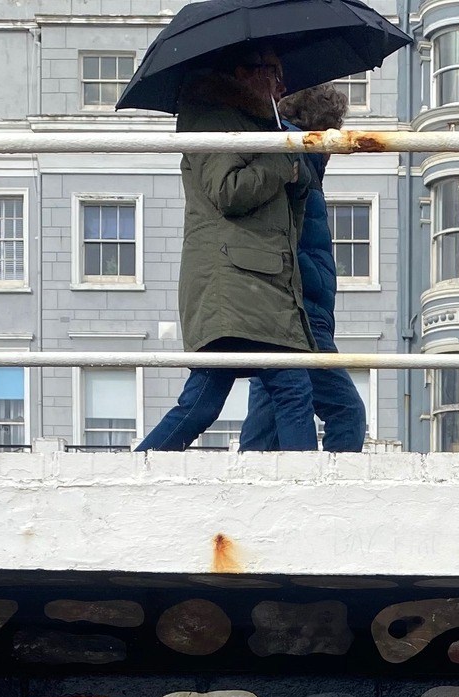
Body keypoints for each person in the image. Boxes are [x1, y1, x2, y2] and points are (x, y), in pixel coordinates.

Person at [137, 46, 319, 452]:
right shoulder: (210, 118)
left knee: (205, 399)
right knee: (288, 388)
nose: (281, 84)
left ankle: (137, 467)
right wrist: (280, 163)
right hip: (235, 280)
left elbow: (296, 193)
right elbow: (228, 190)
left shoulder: (263, 124)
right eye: (273, 70)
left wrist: (293, 160)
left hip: (262, 281)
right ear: (244, 71)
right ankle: (307, 488)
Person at [239, 85, 367, 453]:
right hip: (301, 315)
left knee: (267, 422)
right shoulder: (297, 162)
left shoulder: (296, 165)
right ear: (320, 129)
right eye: (334, 131)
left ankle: (249, 495)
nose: (338, 144)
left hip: (288, 312)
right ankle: (325, 498)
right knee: (347, 412)